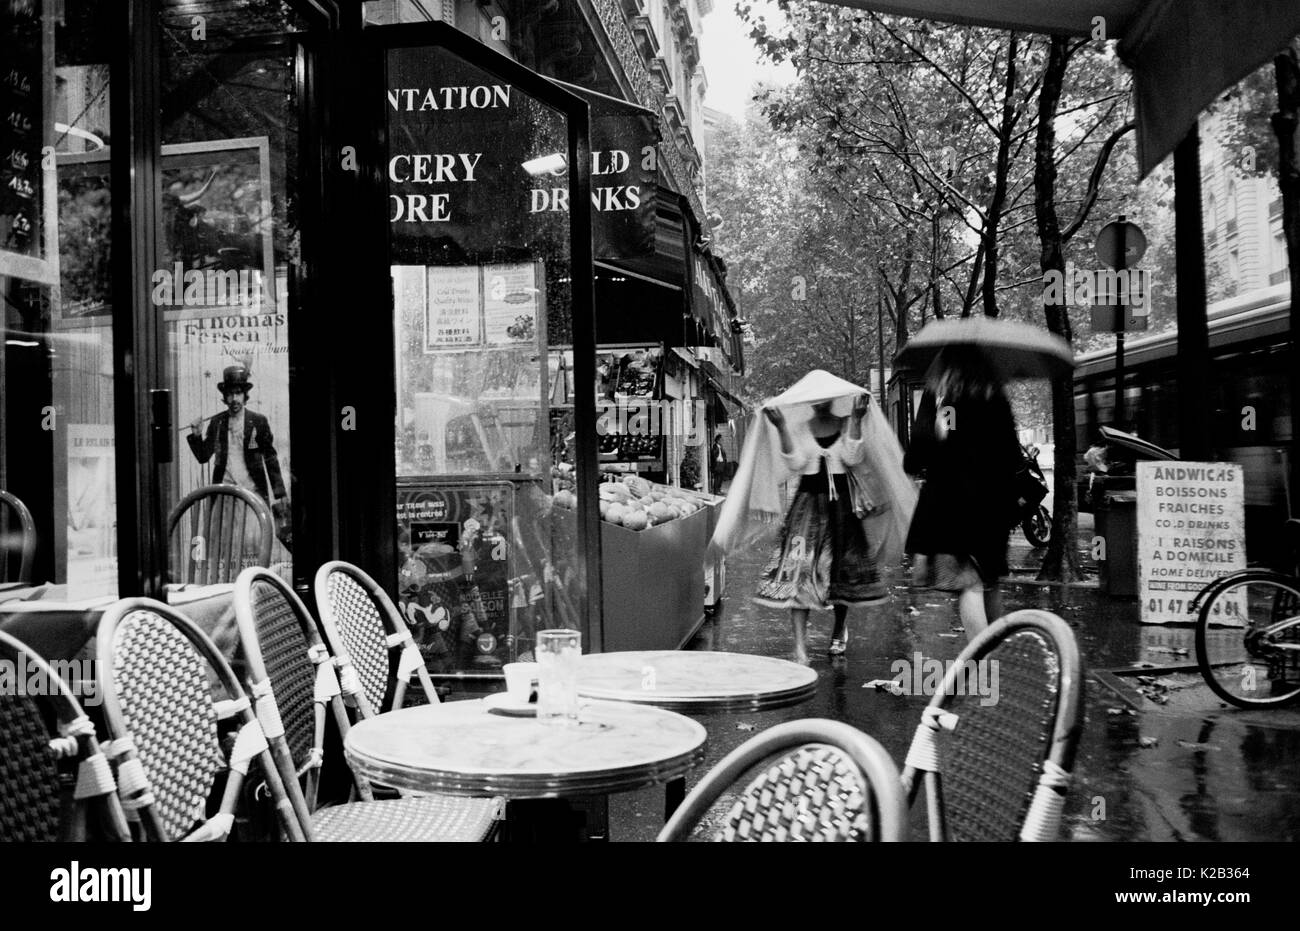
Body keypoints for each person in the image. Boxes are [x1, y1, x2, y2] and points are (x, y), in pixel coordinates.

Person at [708, 370, 917, 666]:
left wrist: (856, 420)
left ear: (831, 400)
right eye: (814, 399)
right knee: (798, 574)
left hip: (842, 510)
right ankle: (800, 648)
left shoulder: (847, 422)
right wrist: (781, 428)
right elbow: (794, 462)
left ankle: (839, 630)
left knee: (842, 575)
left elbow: (853, 457)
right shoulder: (802, 427)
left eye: (823, 399)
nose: (819, 404)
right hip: (806, 509)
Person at [903, 346, 1023, 640]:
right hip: (994, 507)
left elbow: (918, 453)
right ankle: (997, 656)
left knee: (970, 585)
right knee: (989, 581)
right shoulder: (995, 398)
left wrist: (938, 436)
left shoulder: (945, 400)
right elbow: (1013, 457)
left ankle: (983, 665)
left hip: (953, 507)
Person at [187, 364, 290, 549]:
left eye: (238, 393)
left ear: (245, 395)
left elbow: (270, 457)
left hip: (252, 494)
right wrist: (196, 435)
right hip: (226, 496)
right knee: (227, 544)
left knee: (254, 542)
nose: (234, 399)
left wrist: (280, 493)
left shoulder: (258, 421)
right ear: (225, 397)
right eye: (230, 394)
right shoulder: (217, 423)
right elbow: (203, 456)